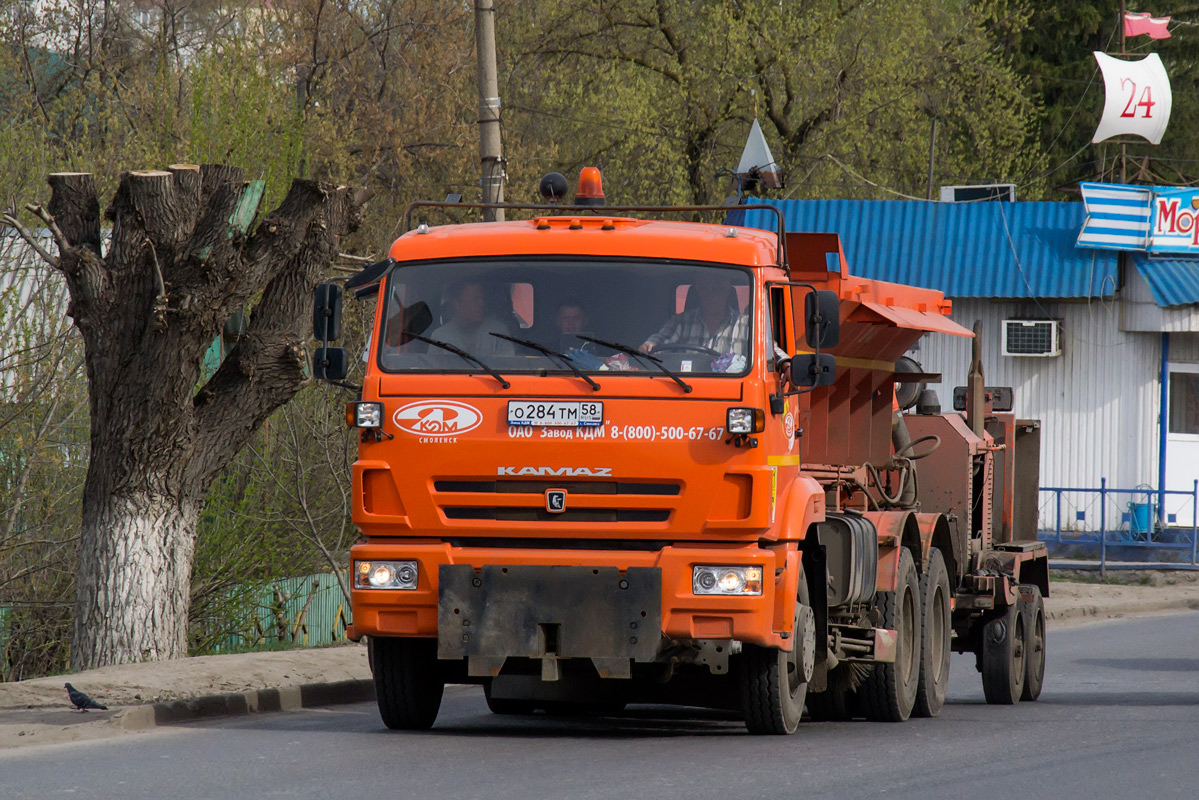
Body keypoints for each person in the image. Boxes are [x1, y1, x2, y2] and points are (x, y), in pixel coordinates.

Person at [640, 272, 749, 357]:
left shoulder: (746, 326)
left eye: (717, 290)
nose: (711, 295)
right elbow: (659, 341)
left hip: (729, 386)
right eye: (706, 290)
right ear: (699, 292)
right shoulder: (681, 322)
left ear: (727, 292)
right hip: (684, 384)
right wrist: (649, 346)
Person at [428, 281, 514, 355]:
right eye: (476, 298)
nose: (482, 304)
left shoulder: (499, 333)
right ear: (457, 304)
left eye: (482, 298)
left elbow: (510, 369)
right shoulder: (439, 336)